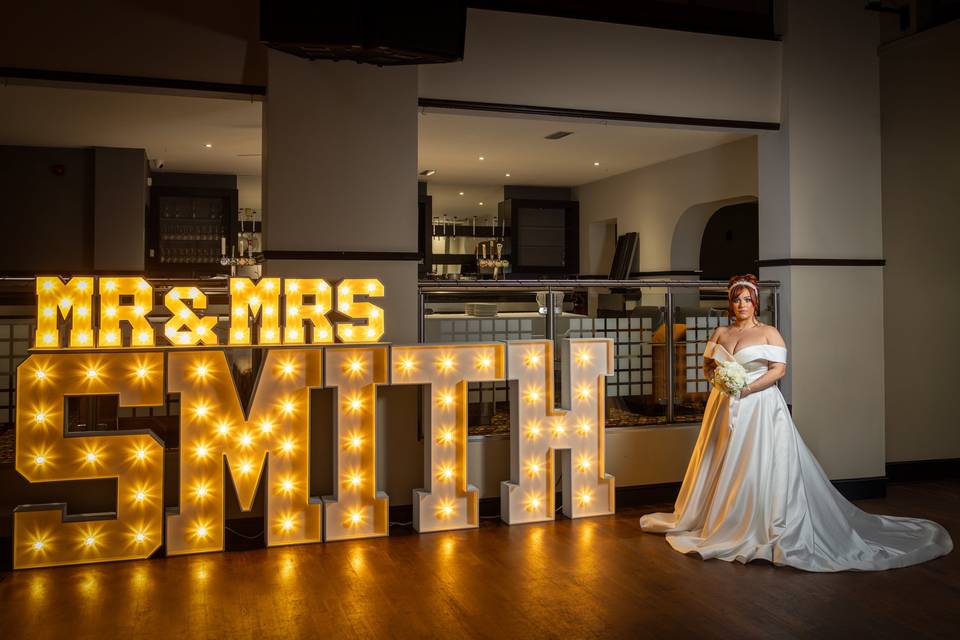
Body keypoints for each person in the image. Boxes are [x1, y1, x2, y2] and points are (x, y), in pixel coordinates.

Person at [639, 274, 953, 572]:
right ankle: (719, 516)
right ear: (730, 303)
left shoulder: (769, 332)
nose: (742, 305)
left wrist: (746, 388)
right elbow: (708, 366)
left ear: (756, 303)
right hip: (724, 404)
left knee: (758, 461)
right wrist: (721, 382)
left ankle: (757, 521)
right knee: (718, 456)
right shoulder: (721, 333)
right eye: (737, 300)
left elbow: (778, 371)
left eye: (747, 300)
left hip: (759, 404)